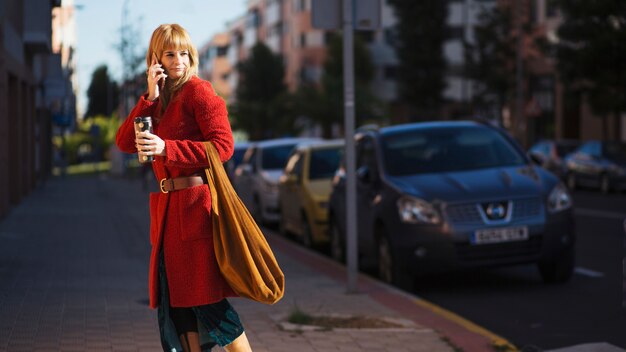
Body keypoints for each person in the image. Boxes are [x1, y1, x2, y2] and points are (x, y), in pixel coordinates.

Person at [115, 24, 253, 352]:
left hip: (195, 210)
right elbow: (124, 142)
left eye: (183, 53)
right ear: (156, 58)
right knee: (178, 305)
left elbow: (223, 146)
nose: (178, 60)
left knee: (206, 301)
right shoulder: (159, 100)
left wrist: (167, 148)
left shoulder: (198, 91)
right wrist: (149, 96)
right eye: (169, 54)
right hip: (167, 214)